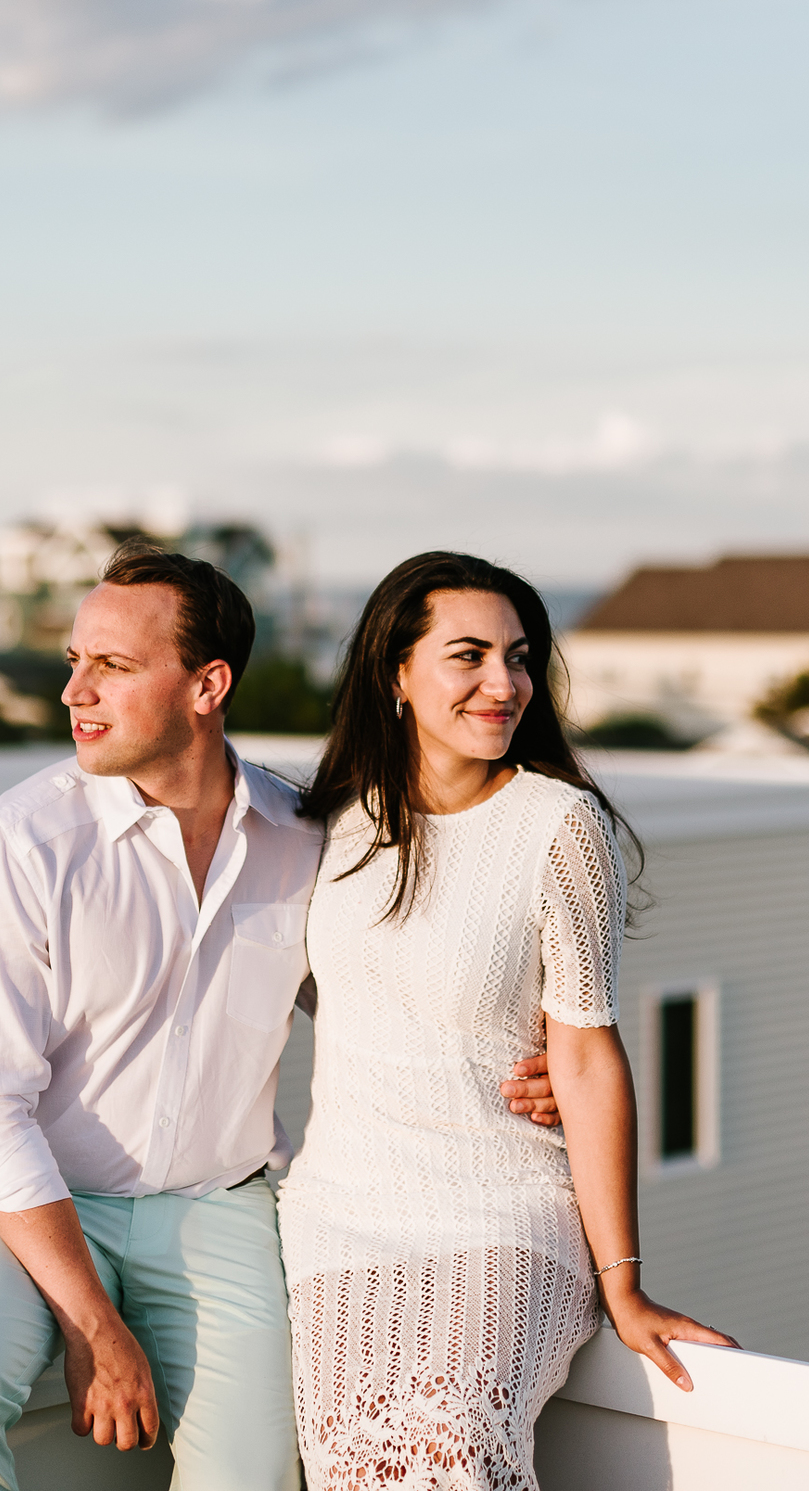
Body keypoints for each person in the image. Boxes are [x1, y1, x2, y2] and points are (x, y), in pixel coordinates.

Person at [0, 541, 562, 1491]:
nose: (74, 691)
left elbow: (384, 995)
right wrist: (94, 1323)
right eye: (75, 661)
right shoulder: (17, 847)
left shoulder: (306, 838)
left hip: (220, 1206)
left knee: (254, 1475)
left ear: (208, 685)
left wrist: (534, 1061)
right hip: (32, 1206)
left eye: (112, 667)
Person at [278, 551, 736, 1490]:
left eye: (520, 657)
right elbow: (339, 989)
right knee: (347, 1468)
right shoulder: (325, 823)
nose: (505, 683)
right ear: (396, 673)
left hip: (501, 1213)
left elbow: (588, 1054)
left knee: (453, 1445)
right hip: (336, 1215)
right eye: (470, 655)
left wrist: (625, 1283)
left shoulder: (559, 825)